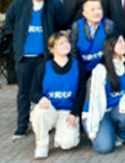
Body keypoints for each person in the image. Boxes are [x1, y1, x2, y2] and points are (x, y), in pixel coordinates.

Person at [6, 0, 65, 139]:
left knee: (47, 89)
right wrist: (17, 43)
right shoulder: (19, 4)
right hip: (25, 57)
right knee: (24, 91)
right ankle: (22, 125)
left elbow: (62, 22)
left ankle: (48, 121)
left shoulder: (53, 4)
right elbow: (9, 24)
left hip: (45, 57)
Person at [29, 31, 86, 159]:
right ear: (52, 49)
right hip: (48, 109)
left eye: (66, 42)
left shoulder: (77, 66)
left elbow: (81, 93)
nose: (65, 45)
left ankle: (59, 134)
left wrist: (74, 113)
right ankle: (42, 144)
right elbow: (33, 92)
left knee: (68, 143)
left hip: (67, 111)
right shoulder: (43, 67)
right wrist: (40, 99)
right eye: (60, 44)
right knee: (40, 112)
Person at [82, 34, 125, 154]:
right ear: (110, 47)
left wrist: (124, 105)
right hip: (98, 112)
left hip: (117, 109)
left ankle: (119, 136)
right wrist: (92, 128)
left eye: (124, 41)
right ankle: (103, 131)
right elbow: (96, 100)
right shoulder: (101, 69)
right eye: (120, 42)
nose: (124, 44)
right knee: (105, 148)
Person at [70, 0, 116, 73]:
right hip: (83, 68)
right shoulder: (77, 26)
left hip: (103, 69)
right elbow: (73, 51)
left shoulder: (108, 25)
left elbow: (112, 50)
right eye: (92, 10)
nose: (97, 12)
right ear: (84, 14)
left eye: (99, 9)